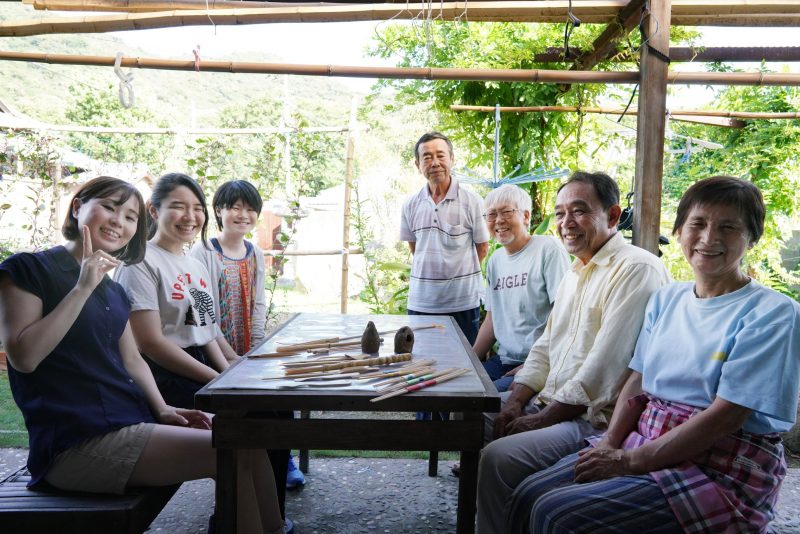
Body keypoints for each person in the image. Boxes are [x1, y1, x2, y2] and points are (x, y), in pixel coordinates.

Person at [506, 176, 800, 534]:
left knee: (558, 513)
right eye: (698, 224)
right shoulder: (668, 299)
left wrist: (629, 462)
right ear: (678, 232)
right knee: (527, 493)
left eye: (728, 227)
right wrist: (611, 445)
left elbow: (727, 415)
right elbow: (637, 380)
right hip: (643, 439)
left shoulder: (771, 312)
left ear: (752, 239)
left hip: (721, 463)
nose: (709, 238)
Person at [0, 176, 283, 534]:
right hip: (74, 444)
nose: (120, 220)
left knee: (248, 442)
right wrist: (81, 288)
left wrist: (163, 408)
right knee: (232, 450)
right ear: (77, 207)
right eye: (109, 206)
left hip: (126, 423)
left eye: (130, 216)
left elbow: (133, 359)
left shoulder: (111, 290)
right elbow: (24, 357)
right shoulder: (28, 269)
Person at [476, 171, 671, 533]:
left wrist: (542, 417)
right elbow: (545, 346)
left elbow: (606, 369)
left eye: (579, 211)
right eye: (560, 212)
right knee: (471, 422)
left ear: (612, 216)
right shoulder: (575, 270)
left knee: (499, 458)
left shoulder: (636, 268)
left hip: (592, 420)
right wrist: (518, 399)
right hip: (551, 403)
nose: (567, 223)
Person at [114, 172, 293, 531]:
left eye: (196, 208)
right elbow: (151, 343)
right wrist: (218, 380)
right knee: (253, 419)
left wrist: (236, 365)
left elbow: (207, 330)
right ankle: (234, 519)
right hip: (161, 375)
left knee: (278, 408)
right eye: (178, 207)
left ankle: (268, 520)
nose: (190, 216)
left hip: (196, 365)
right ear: (153, 210)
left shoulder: (192, 264)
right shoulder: (140, 262)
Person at [189, 179, 304, 490]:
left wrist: (255, 347)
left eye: (251, 209)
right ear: (218, 211)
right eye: (236, 207)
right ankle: (243, 472)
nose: (244, 214)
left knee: (279, 397)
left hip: (246, 348)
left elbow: (258, 302)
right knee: (245, 410)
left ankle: (282, 458)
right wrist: (229, 354)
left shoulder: (253, 252)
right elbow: (202, 310)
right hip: (212, 349)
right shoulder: (203, 251)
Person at [475, 184, 569, 393]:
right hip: (504, 360)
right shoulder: (495, 261)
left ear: (526, 216)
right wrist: (470, 361)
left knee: (483, 400)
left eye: (506, 212)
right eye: (491, 215)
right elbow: (491, 320)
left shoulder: (548, 249)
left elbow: (565, 315)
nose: (498, 220)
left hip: (542, 362)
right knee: (459, 391)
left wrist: (532, 366)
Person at [400, 131, 489, 345]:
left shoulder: (472, 201)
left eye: (441, 155)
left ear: (452, 159)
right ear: (417, 164)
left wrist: (456, 276)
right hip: (422, 303)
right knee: (423, 361)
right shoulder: (410, 204)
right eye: (427, 157)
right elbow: (416, 248)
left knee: (466, 364)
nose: (435, 162)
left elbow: (483, 248)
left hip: (462, 303)